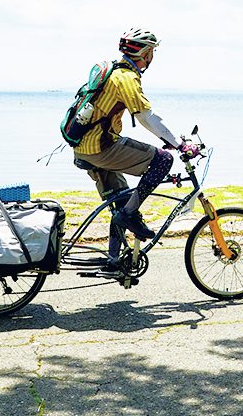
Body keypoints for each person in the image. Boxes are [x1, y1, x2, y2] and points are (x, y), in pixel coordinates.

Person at [72, 28, 192, 270]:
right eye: (153, 52)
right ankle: (128, 216)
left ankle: (114, 259)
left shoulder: (114, 72)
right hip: (100, 148)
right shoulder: (126, 78)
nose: (153, 57)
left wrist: (165, 136)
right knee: (163, 160)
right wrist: (179, 144)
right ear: (146, 53)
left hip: (84, 148)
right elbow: (147, 117)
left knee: (122, 199)